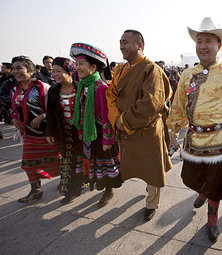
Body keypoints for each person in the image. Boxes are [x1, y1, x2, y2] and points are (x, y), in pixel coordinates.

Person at [167, 17, 222, 241]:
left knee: (215, 185)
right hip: (192, 140)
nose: (203, 45)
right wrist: (173, 132)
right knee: (189, 178)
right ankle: (201, 190)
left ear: (218, 45)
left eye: (208, 41)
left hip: (219, 141)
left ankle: (212, 219)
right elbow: (178, 105)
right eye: (199, 41)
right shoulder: (187, 74)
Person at [106, 30, 172, 221]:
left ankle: (152, 203)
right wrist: (116, 117)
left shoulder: (151, 69)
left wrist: (124, 121)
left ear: (139, 45)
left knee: (152, 170)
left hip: (147, 129)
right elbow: (112, 94)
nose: (121, 46)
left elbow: (151, 103)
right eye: (120, 42)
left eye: (125, 42)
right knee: (137, 166)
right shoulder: (121, 69)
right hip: (126, 128)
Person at [70, 42, 123, 208]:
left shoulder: (101, 88)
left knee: (105, 164)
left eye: (81, 64)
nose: (77, 68)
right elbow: (80, 111)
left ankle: (108, 190)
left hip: (101, 134)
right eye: (76, 64)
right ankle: (94, 184)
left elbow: (107, 117)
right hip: (87, 133)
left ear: (93, 67)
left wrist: (108, 140)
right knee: (92, 162)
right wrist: (79, 129)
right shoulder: (82, 86)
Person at [10, 56, 60, 203]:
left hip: (47, 134)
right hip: (29, 135)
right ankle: (36, 190)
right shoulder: (15, 90)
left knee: (58, 161)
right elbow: (14, 109)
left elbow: (55, 109)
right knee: (28, 163)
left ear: (31, 71)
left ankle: (68, 181)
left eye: (19, 68)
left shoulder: (43, 87)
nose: (15, 71)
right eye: (13, 68)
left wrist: (41, 116)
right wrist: (14, 119)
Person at [46, 57, 83, 204]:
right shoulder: (54, 90)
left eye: (58, 71)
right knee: (67, 161)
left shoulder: (80, 88)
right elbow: (50, 113)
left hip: (80, 132)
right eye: (53, 71)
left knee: (80, 160)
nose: (54, 74)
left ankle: (79, 185)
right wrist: (49, 132)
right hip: (64, 132)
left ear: (69, 72)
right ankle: (69, 190)